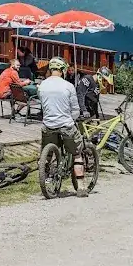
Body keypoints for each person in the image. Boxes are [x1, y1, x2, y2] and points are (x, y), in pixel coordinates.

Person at [37, 56, 88, 198]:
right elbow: (75, 110)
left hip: (48, 125)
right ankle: (81, 186)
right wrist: (72, 118)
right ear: (63, 70)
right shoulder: (68, 86)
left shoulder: (42, 86)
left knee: (47, 154)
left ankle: (46, 177)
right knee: (77, 154)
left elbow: (43, 105)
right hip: (66, 125)